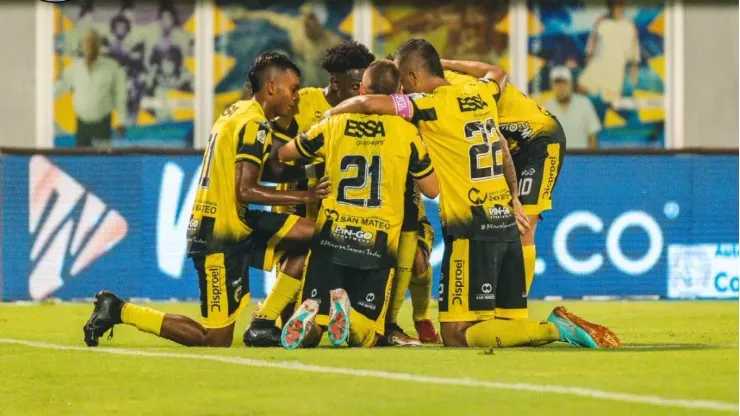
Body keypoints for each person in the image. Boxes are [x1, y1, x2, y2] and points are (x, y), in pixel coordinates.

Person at [325, 39, 620, 349]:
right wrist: (514, 197)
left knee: (455, 335)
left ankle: (553, 329)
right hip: (503, 223)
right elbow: (501, 125)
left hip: (472, 229)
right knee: (498, 322)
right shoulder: (482, 93)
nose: (400, 90)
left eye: (401, 82)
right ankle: (537, 326)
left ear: (412, 77)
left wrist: (332, 116)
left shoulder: (430, 106)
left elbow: (370, 103)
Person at [82, 52, 331, 348]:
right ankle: (120, 310)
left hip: (238, 221)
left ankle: (264, 321)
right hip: (218, 235)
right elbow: (246, 189)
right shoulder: (255, 125)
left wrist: (310, 169)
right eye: (293, 88)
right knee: (214, 338)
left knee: (318, 234)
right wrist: (306, 194)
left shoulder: (237, 112)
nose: (297, 97)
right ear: (272, 86)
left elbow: (262, 170)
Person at [276, 59, 440, 349]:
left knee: (314, 329)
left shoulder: (332, 123)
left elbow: (286, 154)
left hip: (331, 239)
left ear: (362, 88)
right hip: (377, 245)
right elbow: (431, 189)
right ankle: (349, 319)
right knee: (368, 336)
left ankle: (313, 321)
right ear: (400, 91)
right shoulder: (406, 133)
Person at [247, 41, 375, 334]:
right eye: (356, 85)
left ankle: (268, 317)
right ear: (335, 82)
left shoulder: (366, 109)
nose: (362, 93)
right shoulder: (300, 102)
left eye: (365, 85)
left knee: (314, 319)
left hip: (339, 212)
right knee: (292, 316)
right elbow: (272, 161)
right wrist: (315, 167)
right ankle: (265, 317)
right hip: (297, 206)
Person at [442, 63, 565, 299]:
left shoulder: (454, 86)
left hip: (539, 139)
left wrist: (445, 62)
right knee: (497, 224)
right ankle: (490, 300)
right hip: (504, 148)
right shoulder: (434, 90)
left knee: (522, 227)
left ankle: (514, 305)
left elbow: (496, 72)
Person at [230, 3, 345, 87]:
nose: (305, 21)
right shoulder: (296, 27)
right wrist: (246, 14)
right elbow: (270, 16)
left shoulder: (335, 43)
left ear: (321, 23)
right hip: (302, 83)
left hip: (324, 88)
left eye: (311, 18)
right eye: (303, 15)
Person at [55, 30, 128, 147]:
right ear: (83, 46)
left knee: (103, 161)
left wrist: (122, 121)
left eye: (93, 43)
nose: (89, 47)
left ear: (98, 46)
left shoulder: (112, 68)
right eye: (87, 43)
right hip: (82, 124)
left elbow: (120, 95)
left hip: (102, 124)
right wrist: (42, 99)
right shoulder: (75, 68)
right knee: (82, 160)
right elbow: (61, 86)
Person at [579, 0, 641, 102]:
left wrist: (634, 70)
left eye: (619, 5)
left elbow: (635, 50)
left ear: (624, 6)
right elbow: (591, 43)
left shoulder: (630, 25)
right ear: (609, 6)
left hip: (616, 72)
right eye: (613, 5)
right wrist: (588, 60)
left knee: (610, 103)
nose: (616, 8)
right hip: (598, 65)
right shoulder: (600, 22)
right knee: (581, 88)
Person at [544, 66, 602, 149]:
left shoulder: (584, 104)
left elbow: (593, 138)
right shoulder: (546, 109)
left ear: (571, 84)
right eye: (557, 84)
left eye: (564, 83)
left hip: (582, 160)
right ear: (552, 86)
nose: (561, 88)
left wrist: (591, 160)